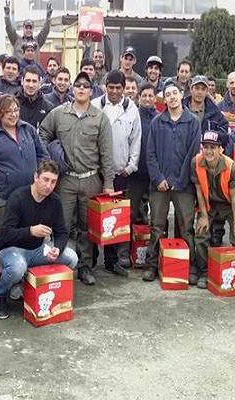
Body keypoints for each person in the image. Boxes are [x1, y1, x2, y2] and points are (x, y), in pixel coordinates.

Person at [39, 71, 114, 285]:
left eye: (85, 86)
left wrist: (108, 183)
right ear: (73, 89)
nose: (81, 88)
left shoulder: (100, 118)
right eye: (78, 85)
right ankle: (57, 266)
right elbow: (42, 133)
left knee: (87, 227)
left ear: (91, 91)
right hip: (66, 181)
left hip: (91, 180)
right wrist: (49, 158)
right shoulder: (59, 113)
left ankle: (85, 267)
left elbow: (107, 154)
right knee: (60, 225)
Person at [0, 160, 78, 319]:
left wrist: (57, 248)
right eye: (45, 179)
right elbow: (5, 235)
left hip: (38, 248)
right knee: (17, 268)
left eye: (53, 181)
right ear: (35, 177)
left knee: (72, 258)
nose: (49, 186)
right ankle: (0, 293)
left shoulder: (55, 201)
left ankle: (30, 287)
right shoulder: (18, 197)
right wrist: (31, 231)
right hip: (12, 249)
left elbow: (62, 232)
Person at [143, 82, 201, 283]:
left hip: (183, 185)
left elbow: (193, 154)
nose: (172, 97)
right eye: (168, 94)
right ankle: (152, 265)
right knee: (157, 226)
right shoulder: (157, 122)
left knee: (186, 227)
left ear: (181, 94)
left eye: (175, 93)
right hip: (159, 185)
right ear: (164, 99)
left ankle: (189, 266)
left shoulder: (193, 122)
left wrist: (179, 180)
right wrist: (158, 178)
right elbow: (150, 154)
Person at [92, 70, 142, 273]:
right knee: (95, 218)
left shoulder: (132, 109)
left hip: (121, 173)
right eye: (110, 87)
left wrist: (131, 166)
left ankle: (115, 261)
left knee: (116, 218)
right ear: (105, 86)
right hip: (97, 172)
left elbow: (136, 139)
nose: (114, 91)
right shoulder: (95, 105)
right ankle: (92, 261)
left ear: (124, 88)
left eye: (118, 88)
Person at [0, 95, 49, 236]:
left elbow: (43, 155)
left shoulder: (28, 130)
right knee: (7, 238)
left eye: (16, 110)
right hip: (5, 200)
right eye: (8, 111)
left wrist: (42, 179)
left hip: (32, 197)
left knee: (31, 237)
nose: (13, 114)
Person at [191, 131, 235, 288]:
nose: (209, 151)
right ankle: (204, 271)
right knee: (201, 233)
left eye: (213, 147)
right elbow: (199, 191)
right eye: (206, 147)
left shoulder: (232, 167)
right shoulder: (195, 162)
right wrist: (203, 215)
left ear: (220, 149)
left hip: (230, 203)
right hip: (209, 203)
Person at [128, 83, 156, 224]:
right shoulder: (133, 116)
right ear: (138, 98)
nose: (147, 98)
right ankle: (131, 245)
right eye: (144, 95)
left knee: (157, 215)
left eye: (150, 95)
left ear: (155, 98)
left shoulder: (160, 119)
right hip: (136, 174)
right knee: (131, 212)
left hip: (154, 174)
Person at [184, 75, 229, 142]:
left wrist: (212, 136)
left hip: (207, 150)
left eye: (203, 89)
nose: (200, 92)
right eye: (197, 88)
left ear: (207, 91)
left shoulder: (214, 111)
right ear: (191, 89)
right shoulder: (181, 108)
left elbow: (224, 130)